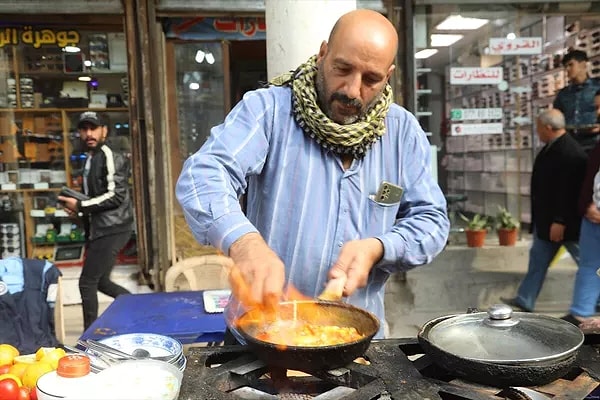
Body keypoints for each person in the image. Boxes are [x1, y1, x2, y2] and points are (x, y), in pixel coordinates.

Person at [176, 9, 449, 341]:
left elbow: (432, 220)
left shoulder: (404, 132)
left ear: (388, 76)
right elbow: (204, 173)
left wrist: (379, 247)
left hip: (356, 339)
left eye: (371, 79)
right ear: (323, 54)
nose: (352, 89)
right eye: (342, 69)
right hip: (261, 336)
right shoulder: (268, 110)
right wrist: (244, 243)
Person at [501, 109, 587, 312]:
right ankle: (525, 299)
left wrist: (560, 221)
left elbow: (569, 192)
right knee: (538, 260)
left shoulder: (570, 152)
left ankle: (593, 299)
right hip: (546, 222)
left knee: (589, 261)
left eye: (539, 127)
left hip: (563, 225)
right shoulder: (551, 148)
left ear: (548, 127)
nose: (537, 132)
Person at [58, 111, 134, 331]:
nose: (89, 133)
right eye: (84, 129)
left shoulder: (110, 155)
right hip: (103, 227)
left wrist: (81, 205)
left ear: (104, 131)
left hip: (113, 227)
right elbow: (95, 198)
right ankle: (138, 309)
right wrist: (79, 211)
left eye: (94, 128)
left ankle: (88, 336)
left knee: (86, 282)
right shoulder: (91, 158)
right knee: (101, 282)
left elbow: (115, 195)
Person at [561, 90, 600, 326]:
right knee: (588, 265)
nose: (598, 112)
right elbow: (591, 179)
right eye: (596, 107)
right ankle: (580, 314)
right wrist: (587, 206)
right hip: (592, 217)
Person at [553, 50, 600, 153]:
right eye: (565, 67)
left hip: (595, 142)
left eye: (571, 65)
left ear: (583, 65)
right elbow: (556, 118)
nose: (567, 69)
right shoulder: (563, 94)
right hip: (571, 144)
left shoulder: (597, 87)